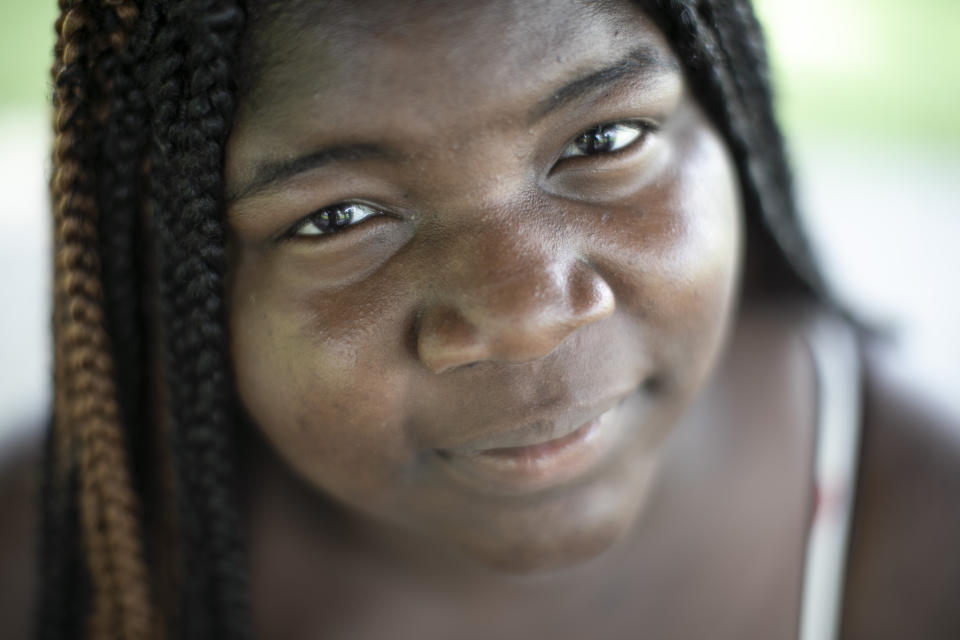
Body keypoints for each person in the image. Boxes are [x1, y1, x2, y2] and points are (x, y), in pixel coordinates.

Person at [9, 0, 958, 638]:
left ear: (729, 122)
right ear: (172, 266)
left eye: (604, 140)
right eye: (339, 217)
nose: (525, 315)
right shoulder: (46, 578)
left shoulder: (922, 539)